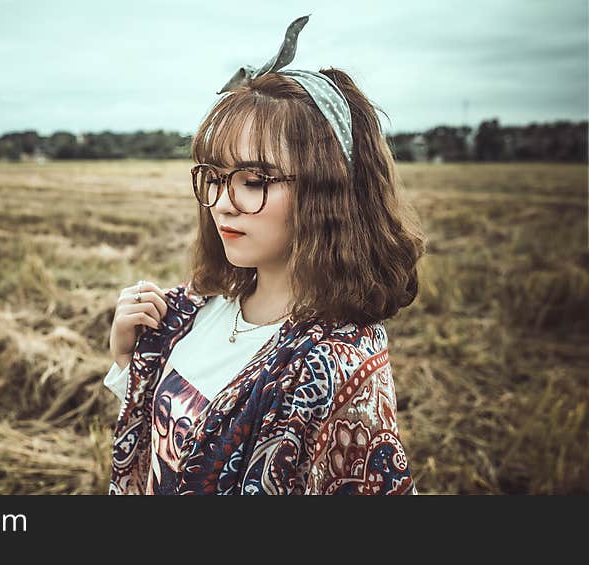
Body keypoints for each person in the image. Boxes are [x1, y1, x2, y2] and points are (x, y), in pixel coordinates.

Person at [104, 14, 426, 495]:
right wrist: (130, 360)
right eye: (215, 177)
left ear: (329, 193)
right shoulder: (197, 312)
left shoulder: (336, 367)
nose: (222, 201)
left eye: (254, 181)